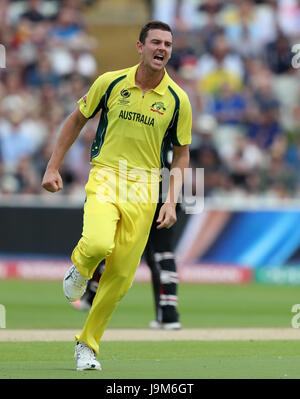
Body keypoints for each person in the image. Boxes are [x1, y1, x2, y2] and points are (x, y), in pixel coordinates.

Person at [42, 20, 192, 371]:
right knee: (96, 245)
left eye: (168, 44)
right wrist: (52, 167)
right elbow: (76, 120)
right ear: (140, 47)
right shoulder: (109, 82)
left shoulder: (177, 99)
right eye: (156, 42)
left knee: (121, 277)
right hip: (107, 175)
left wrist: (170, 201)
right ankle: (79, 268)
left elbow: (182, 153)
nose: (162, 49)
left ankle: (88, 345)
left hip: (146, 189)